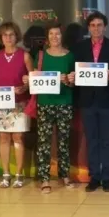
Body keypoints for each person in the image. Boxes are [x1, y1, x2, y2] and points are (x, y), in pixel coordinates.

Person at [68, 11, 109, 192]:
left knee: (108, 140)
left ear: (105, 27)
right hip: (87, 101)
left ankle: (107, 177)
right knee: (92, 140)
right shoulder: (79, 47)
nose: (96, 28)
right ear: (88, 28)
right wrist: (72, 76)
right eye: (93, 25)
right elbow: (74, 72)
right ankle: (94, 177)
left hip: (107, 100)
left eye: (99, 25)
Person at [24, 21, 75, 194]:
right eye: (51, 34)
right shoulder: (40, 56)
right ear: (47, 37)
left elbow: (74, 82)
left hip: (65, 103)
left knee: (63, 142)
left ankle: (65, 175)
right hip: (44, 103)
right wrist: (28, 79)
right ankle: (44, 178)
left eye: (57, 34)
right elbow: (34, 78)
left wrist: (69, 80)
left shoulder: (70, 56)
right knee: (44, 142)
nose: (55, 37)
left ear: (62, 36)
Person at [0, 22, 33, 188]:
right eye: (5, 35)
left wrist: (26, 86)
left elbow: (33, 79)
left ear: (17, 36)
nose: (8, 38)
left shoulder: (25, 56)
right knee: (3, 137)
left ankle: (19, 174)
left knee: (18, 137)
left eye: (11, 34)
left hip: (19, 103)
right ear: (1, 37)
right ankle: (6, 174)